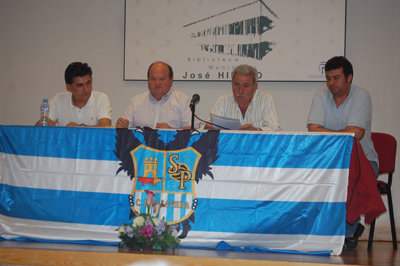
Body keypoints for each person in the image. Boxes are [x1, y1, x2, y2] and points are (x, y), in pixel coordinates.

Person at [307, 56, 379, 249]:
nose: (331, 83)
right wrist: (343, 134)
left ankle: (346, 233)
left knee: (346, 181)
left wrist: (330, 133)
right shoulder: (321, 96)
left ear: (349, 78)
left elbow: (356, 134)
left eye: (336, 78)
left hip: (363, 161)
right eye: (328, 78)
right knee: (305, 177)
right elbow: (313, 129)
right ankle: (319, 231)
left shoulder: (361, 96)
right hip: (331, 161)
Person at [116, 61, 195, 129]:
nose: (157, 83)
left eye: (162, 79)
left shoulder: (183, 100)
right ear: (148, 80)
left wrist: (171, 130)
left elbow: (193, 129)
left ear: (171, 80)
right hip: (142, 146)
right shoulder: (135, 101)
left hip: (174, 146)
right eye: (153, 79)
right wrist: (121, 125)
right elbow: (124, 127)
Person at [35, 62, 112, 127]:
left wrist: (79, 128)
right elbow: (40, 126)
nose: (86, 89)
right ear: (69, 87)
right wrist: (47, 124)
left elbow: (105, 127)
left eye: (88, 83)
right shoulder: (58, 99)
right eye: (80, 85)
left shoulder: (101, 98)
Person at [206, 64, 280, 131]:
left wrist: (256, 130)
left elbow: (275, 129)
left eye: (246, 86)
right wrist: (208, 128)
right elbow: (207, 126)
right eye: (237, 85)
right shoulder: (222, 101)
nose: (240, 91)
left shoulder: (265, 100)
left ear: (255, 87)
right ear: (232, 84)